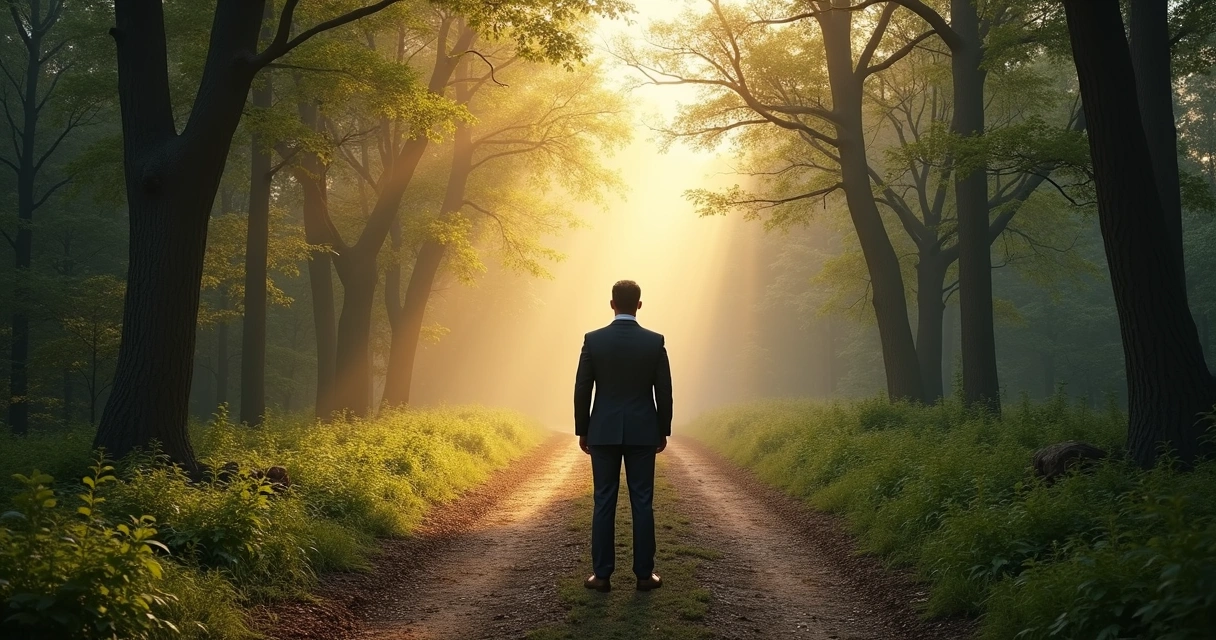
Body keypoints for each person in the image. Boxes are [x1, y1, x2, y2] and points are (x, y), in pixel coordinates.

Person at [574, 279, 673, 593]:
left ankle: (602, 576)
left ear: (612, 304)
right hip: (643, 432)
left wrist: (583, 429)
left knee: (603, 501)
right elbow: (664, 393)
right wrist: (662, 430)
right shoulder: (654, 342)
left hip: (603, 431)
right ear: (639, 305)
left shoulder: (593, 340)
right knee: (642, 501)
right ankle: (644, 575)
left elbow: (582, 389)